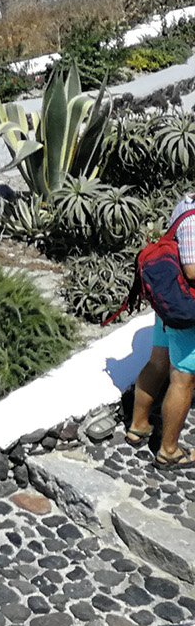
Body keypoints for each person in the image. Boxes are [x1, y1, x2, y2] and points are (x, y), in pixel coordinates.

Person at [129, 193, 195, 469]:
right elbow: (192, 270)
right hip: (186, 308)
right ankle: (168, 450)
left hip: (168, 300)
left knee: (158, 361)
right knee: (184, 378)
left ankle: (138, 426)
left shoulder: (185, 203)